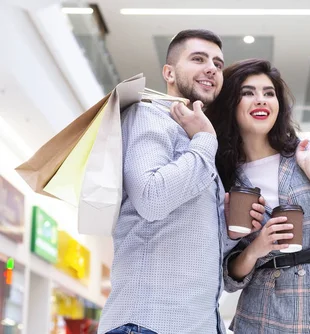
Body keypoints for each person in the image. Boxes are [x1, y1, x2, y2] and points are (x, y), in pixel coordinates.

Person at [98, 30, 265, 334]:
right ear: (169, 72)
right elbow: (152, 198)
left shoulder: (196, 133)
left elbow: (191, 241)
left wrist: (228, 231)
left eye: (217, 62)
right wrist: (205, 139)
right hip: (148, 324)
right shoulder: (148, 114)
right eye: (198, 59)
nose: (212, 68)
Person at [206, 59, 310, 333]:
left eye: (269, 93)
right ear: (229, 104)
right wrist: (257, 247)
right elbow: (229, 278)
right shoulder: (221, 177)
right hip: (263, 312)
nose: (261, 100)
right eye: (247, 93)